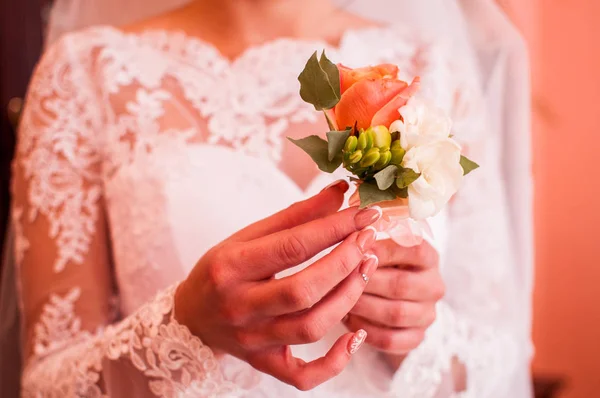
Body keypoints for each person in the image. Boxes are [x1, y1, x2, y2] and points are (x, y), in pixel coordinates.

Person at [7, 0, 533, 396]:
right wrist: (184, 328)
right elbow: (49, 383)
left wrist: (418, 332)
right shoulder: (85, 75)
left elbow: (499, 357)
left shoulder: (431, 66)